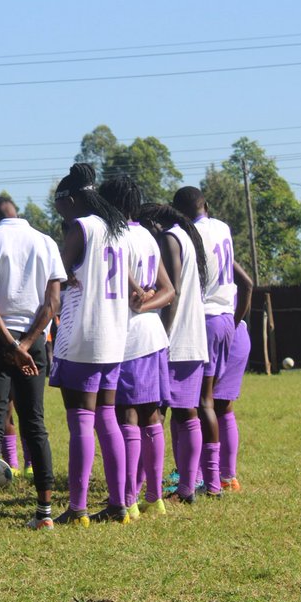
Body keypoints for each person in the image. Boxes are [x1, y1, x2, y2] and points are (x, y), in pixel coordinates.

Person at [49, 164, 144, 525]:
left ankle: (78, 508)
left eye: (59, 205)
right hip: (114, 336)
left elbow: (57, 274)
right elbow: (130, 281)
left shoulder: (82, 227)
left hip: (83, 335)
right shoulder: (117, 228)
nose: (59, 212)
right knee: (107, 417)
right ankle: (120, 503)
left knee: (80, 421)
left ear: (71, 199)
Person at [0, 196, 65, 532]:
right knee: (35, 423)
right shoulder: (46, 242)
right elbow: (52, 302)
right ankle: (45, 514)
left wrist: (10, 344)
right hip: (33, 341)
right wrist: (25, 344)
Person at [100, 177, 175, 521]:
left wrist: (136, 304)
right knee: (152, 415)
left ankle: (128, 499)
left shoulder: (113, 237)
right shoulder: (147, 236)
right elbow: (168, 290)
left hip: (127, 338)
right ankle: (154, 497)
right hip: (154, 336)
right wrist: (146, 304)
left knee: (127, 415)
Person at [172, 186, 251, 498]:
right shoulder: (222, 228)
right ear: (205, 204)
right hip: (229, 320)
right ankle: (225, 476)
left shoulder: (186, 235)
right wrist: (233, 321)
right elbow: (245, 282)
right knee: (222, 406)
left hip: (202, 319)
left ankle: (195, 478)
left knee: (189, 405)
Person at [135, 202, 207, 505]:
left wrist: (163, 336)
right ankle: (187, 488)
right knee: (186, 412)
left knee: (152, 415)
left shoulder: (168, 239)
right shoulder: (185, 236)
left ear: (153, 223)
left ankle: (138, 490)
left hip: (174, 339)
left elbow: (172, 292)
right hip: (193, 337)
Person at [213, 265, 254, 492]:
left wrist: (233, 324)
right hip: (234, 334)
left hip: (225, 333)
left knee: (200, 407)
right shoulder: (223, 254)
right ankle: (226, 477)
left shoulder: (211, 253)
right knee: (221, 407)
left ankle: (200, 476)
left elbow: (247, 284)